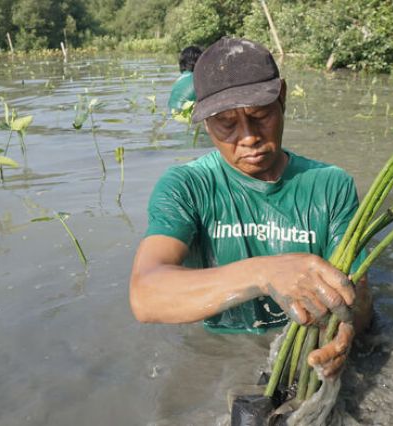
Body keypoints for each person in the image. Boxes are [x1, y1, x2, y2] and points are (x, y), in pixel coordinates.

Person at [130, 38, 372, 378]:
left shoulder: (331, 185)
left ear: (282, 97)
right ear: (203, 121)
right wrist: (264, 273)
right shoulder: (186, 186)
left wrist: (346, 329)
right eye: (225, 124)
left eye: (260, 116)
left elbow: (358, 292)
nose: (247, 137)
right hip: (220, 356)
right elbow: (146, 295)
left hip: (305, 350)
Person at [167, 45, 203, 113]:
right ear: (199, 61)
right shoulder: (198, 79)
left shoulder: (179, 80)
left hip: (172, 115)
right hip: (188, 117)